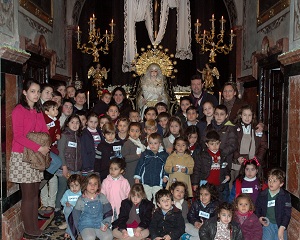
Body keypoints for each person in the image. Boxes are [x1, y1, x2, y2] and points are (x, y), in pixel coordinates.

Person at [8, 79, 50, 239]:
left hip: (36, 156)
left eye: (38, 91)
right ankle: (29, 230)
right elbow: (18, 137)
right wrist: (39, 147)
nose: (36, 94)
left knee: (34, 193)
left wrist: (44, 145)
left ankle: (35, 228)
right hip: (22, 156)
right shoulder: (19, 110)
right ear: (24, 92)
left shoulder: (38, 110)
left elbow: (43, 131)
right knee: (27, 195)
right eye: (33, 91)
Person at [71, 173, 113, 240]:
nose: (92, 186)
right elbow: (75, 216)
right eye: (90, 183)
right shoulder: (81, 200)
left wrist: (106, 223)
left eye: (95, 184)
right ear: (85, 185)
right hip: (86, 225)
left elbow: (108, 211)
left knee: (108, 236)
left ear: (98, 186)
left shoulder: (102, 197)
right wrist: (77, 231)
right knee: (89, 237)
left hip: (100, 223)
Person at [192, 130, 231, 202]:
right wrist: (195, 183)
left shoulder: (223, 155)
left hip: (219, 184)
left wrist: (227, 174)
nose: (215, 146)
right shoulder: (202, 155)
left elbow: (226, 167)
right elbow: (196, 170)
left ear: (220, 143)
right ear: (207, 144)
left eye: (217, 144)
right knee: (206, 202)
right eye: (212, 144)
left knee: (219, 202)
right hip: (206, 184)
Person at [232, 104, 268, 181]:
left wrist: (258, 158)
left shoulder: (258, 128)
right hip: (238, 162)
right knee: (237, 185)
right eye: (245, 115)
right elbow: (232, 144)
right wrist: (237, 156)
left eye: (249, 115)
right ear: (240, 115)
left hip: (253, 163)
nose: (247, 118)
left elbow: (263, 145)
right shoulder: (234, 129)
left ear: (253, 116)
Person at [55, 115, 82, 215]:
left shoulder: (78, 137)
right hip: (65, 168)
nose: (75, 125)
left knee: (72, 191)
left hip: (76, 169)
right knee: (62, 190)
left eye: (77, 123)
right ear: (67, 123)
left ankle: (71, 211)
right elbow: (61, 152)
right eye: (72, 122)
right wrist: (64, 167)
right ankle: (57, 210)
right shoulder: (64, 136)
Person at [40, 100, 62, 215]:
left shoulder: (56, 121)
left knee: (49, 176)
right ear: (47, 111)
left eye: (57, 109)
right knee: (56, 162)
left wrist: (58, 135)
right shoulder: (43, 119)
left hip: (51, 148)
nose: (56, 111)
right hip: (43, 149)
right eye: (54, 109)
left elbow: (57, 131)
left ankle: (50, 203)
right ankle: (44, 203)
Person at [255, 168, 291, 240]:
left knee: (281, 237)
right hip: (268, 223)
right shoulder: (263, 194)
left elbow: (287, 213)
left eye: (274, 181)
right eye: (269, 180)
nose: (271, 183)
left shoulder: (285, 196)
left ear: (281, 184)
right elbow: (257, 208)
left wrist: (282, 227)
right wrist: (259, 217)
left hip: (280, 224)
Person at [134, 133, 169, 204]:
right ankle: (147, 213)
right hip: (146, 181)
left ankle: (157, 213)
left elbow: (166, 167)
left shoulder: (164, 155)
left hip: (158, 182)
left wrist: (166, 176)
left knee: (158, 199)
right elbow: (140, 166)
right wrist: (137, 176)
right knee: (146, 199)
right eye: (150, 143)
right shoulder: (145, 154)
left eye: (155, 143)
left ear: (160, 144)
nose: (152, 145)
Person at [60, 174, 82, 240]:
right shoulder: (67, 192)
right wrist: (65, 203)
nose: (74, 188)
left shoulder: (81, 193)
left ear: (81, 185)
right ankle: (72, 233)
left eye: (76, 186)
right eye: (72, 186)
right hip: (69, 212)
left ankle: (68, 230)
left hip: (78, 212)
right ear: (69, 186)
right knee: (67, 209)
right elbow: (62, 201)